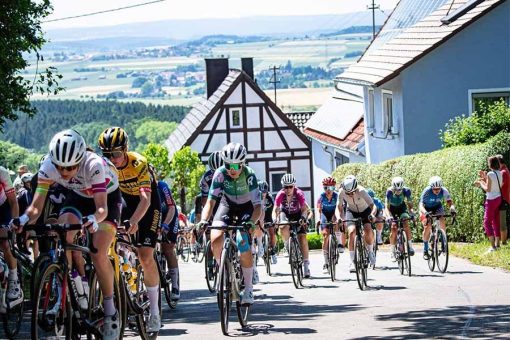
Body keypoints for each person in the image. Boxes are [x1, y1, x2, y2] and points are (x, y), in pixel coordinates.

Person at [12, 129, 122, 340]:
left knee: (98, 251)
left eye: (70, 167)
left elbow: (101, 210)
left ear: (80, 160)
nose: (64, 172)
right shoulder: (48, 167)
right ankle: (72, 285)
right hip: (78, 197)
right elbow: (35, 207)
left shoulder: (94, 164)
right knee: (62, 231)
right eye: (60, 167)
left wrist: (92, 220)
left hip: (106, 198)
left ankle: (110, 311)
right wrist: (23, 220)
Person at [98, 126, 162, 333]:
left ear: (125, 149)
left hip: (147, 204)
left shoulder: (138, 163)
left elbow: (145, 199)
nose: (112, 158)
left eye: (115, 153)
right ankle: (124, 280)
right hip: (124, 200)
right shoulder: (104, 166)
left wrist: (134, 221)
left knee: (145, 256)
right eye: (107, 154)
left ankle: (154, 312)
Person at [198, 142, 261, 306]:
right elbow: (210, 203)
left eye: (235, 165)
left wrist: (251, 223)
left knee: (242, 241)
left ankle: (248, 289)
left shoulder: (250, 175)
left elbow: (258, 207)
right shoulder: (219, 174)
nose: (231, 169)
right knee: (215, 236)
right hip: (227, 205)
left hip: (246, 208)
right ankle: (224, 270)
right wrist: (204, 220)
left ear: (242, 163)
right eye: (227, 165)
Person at [272, 173, 313, 278]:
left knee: (302, 237)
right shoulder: (280, 194)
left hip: (297, 214)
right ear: (283, 187)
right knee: (283, 225)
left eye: (291, 186)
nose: (288, 189)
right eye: (286, 187)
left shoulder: (299, 193)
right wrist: (274, 220)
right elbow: (275, 209)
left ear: (294, 186)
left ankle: (306, 265)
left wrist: (303, 218)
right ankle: (287, 246)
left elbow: (304, 209)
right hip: (285, 213)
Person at [335, 175, 376, 272]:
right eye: (347, 193)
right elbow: (338, 207)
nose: (350, 195)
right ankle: (352, 261)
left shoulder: (361, 190)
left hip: (365, 210)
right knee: (352, 232)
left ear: (355, 188)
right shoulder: (341, 192)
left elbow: (373, 205)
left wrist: (372, 214)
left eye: (352, 192)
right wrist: (338, 217)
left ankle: (370, 252)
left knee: (368, 230)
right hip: (351, 211)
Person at [419, 176, 456, 260]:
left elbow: (449, 201)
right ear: (431, 187)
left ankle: (443, 242)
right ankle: (425, 250)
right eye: (435, 189)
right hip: (425, 208)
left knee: (442, 220)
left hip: (437, 207)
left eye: (438, 189)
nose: (437, 191)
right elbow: (420, 205)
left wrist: (452, 208)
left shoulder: (444, 190)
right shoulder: (427, 191)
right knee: (427, 226)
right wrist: (425, 213)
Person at [156, 177, 180, 300]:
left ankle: (175, 285)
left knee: (168, 249)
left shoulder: (162, 186)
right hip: (155, 217)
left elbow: (171, 207)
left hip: (170, 216)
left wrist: (165, 224)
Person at [0, 165, 20, 306]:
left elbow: (13, 201)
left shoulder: (2, 172)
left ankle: (13, 279)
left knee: (6, 243)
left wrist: (14, 223)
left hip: (4, 207)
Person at [474, 156, 503, 252]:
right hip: (498, 198)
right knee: (495, 221)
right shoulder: (499, 173)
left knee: (486, 222)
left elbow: (488, 189)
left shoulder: (491, 173)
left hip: (491, 200)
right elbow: (495, 185)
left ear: (490, 164)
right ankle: (497, 244)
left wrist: (481, 182)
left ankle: (492, 246)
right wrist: (485, 178)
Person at [384, 177, 415, 261]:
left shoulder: (406, 190)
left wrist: (412, 213)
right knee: (394, 227)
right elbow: (386, 207)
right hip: (392, 210)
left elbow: (410, 204)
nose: (398, 192)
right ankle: (392, 251)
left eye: (400, 190)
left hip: (402, 208)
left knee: (405, 223)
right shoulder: (389, 192)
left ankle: (410, 246)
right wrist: (389, 216)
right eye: (396, 190)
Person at [317, 176, 342, 274]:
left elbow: (340, 210)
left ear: (334, 188)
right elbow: (319, 211)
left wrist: (340, 219)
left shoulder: (337, 196)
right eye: (326, 188)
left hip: (334, 213)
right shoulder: (321, 197)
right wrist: (319, 220)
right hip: (324, 214)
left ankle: (338, 242)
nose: (328, 190)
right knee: (325, 236)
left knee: (337, 221)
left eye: (331, 188)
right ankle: (326, 262)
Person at [258, 180, 277, 264]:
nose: (263, 194)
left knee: (272, 233)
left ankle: (273, 251)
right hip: (259, 217)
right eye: (261, 192)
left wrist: (275, 219)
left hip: (268, 216)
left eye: (264, 192)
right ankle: (257, 249)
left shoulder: (270, 197)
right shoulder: (256, 197)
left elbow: (275, 208)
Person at [496, 155, 509, 245]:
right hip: (502, 198)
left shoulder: (503, 172)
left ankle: (503, 242)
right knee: (500, 220)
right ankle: (502, 241)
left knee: (502, 221)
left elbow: (499, 186)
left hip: (503, 198)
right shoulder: (503, 170)